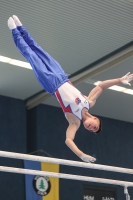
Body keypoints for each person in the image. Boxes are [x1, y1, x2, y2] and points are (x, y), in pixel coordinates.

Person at [7, 16, 133, 163]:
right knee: (39, 51)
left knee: (31, 56)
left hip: (51, 85)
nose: (90, 128)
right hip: (62, 76)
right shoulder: (89, 102)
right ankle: (22, 28)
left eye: (91, 130)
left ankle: (15, 32)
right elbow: (101, 86)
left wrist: (81, 154)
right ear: (95, 118)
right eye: (94, 126)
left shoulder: (74, 122)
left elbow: (68, 140)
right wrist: (119, 80)